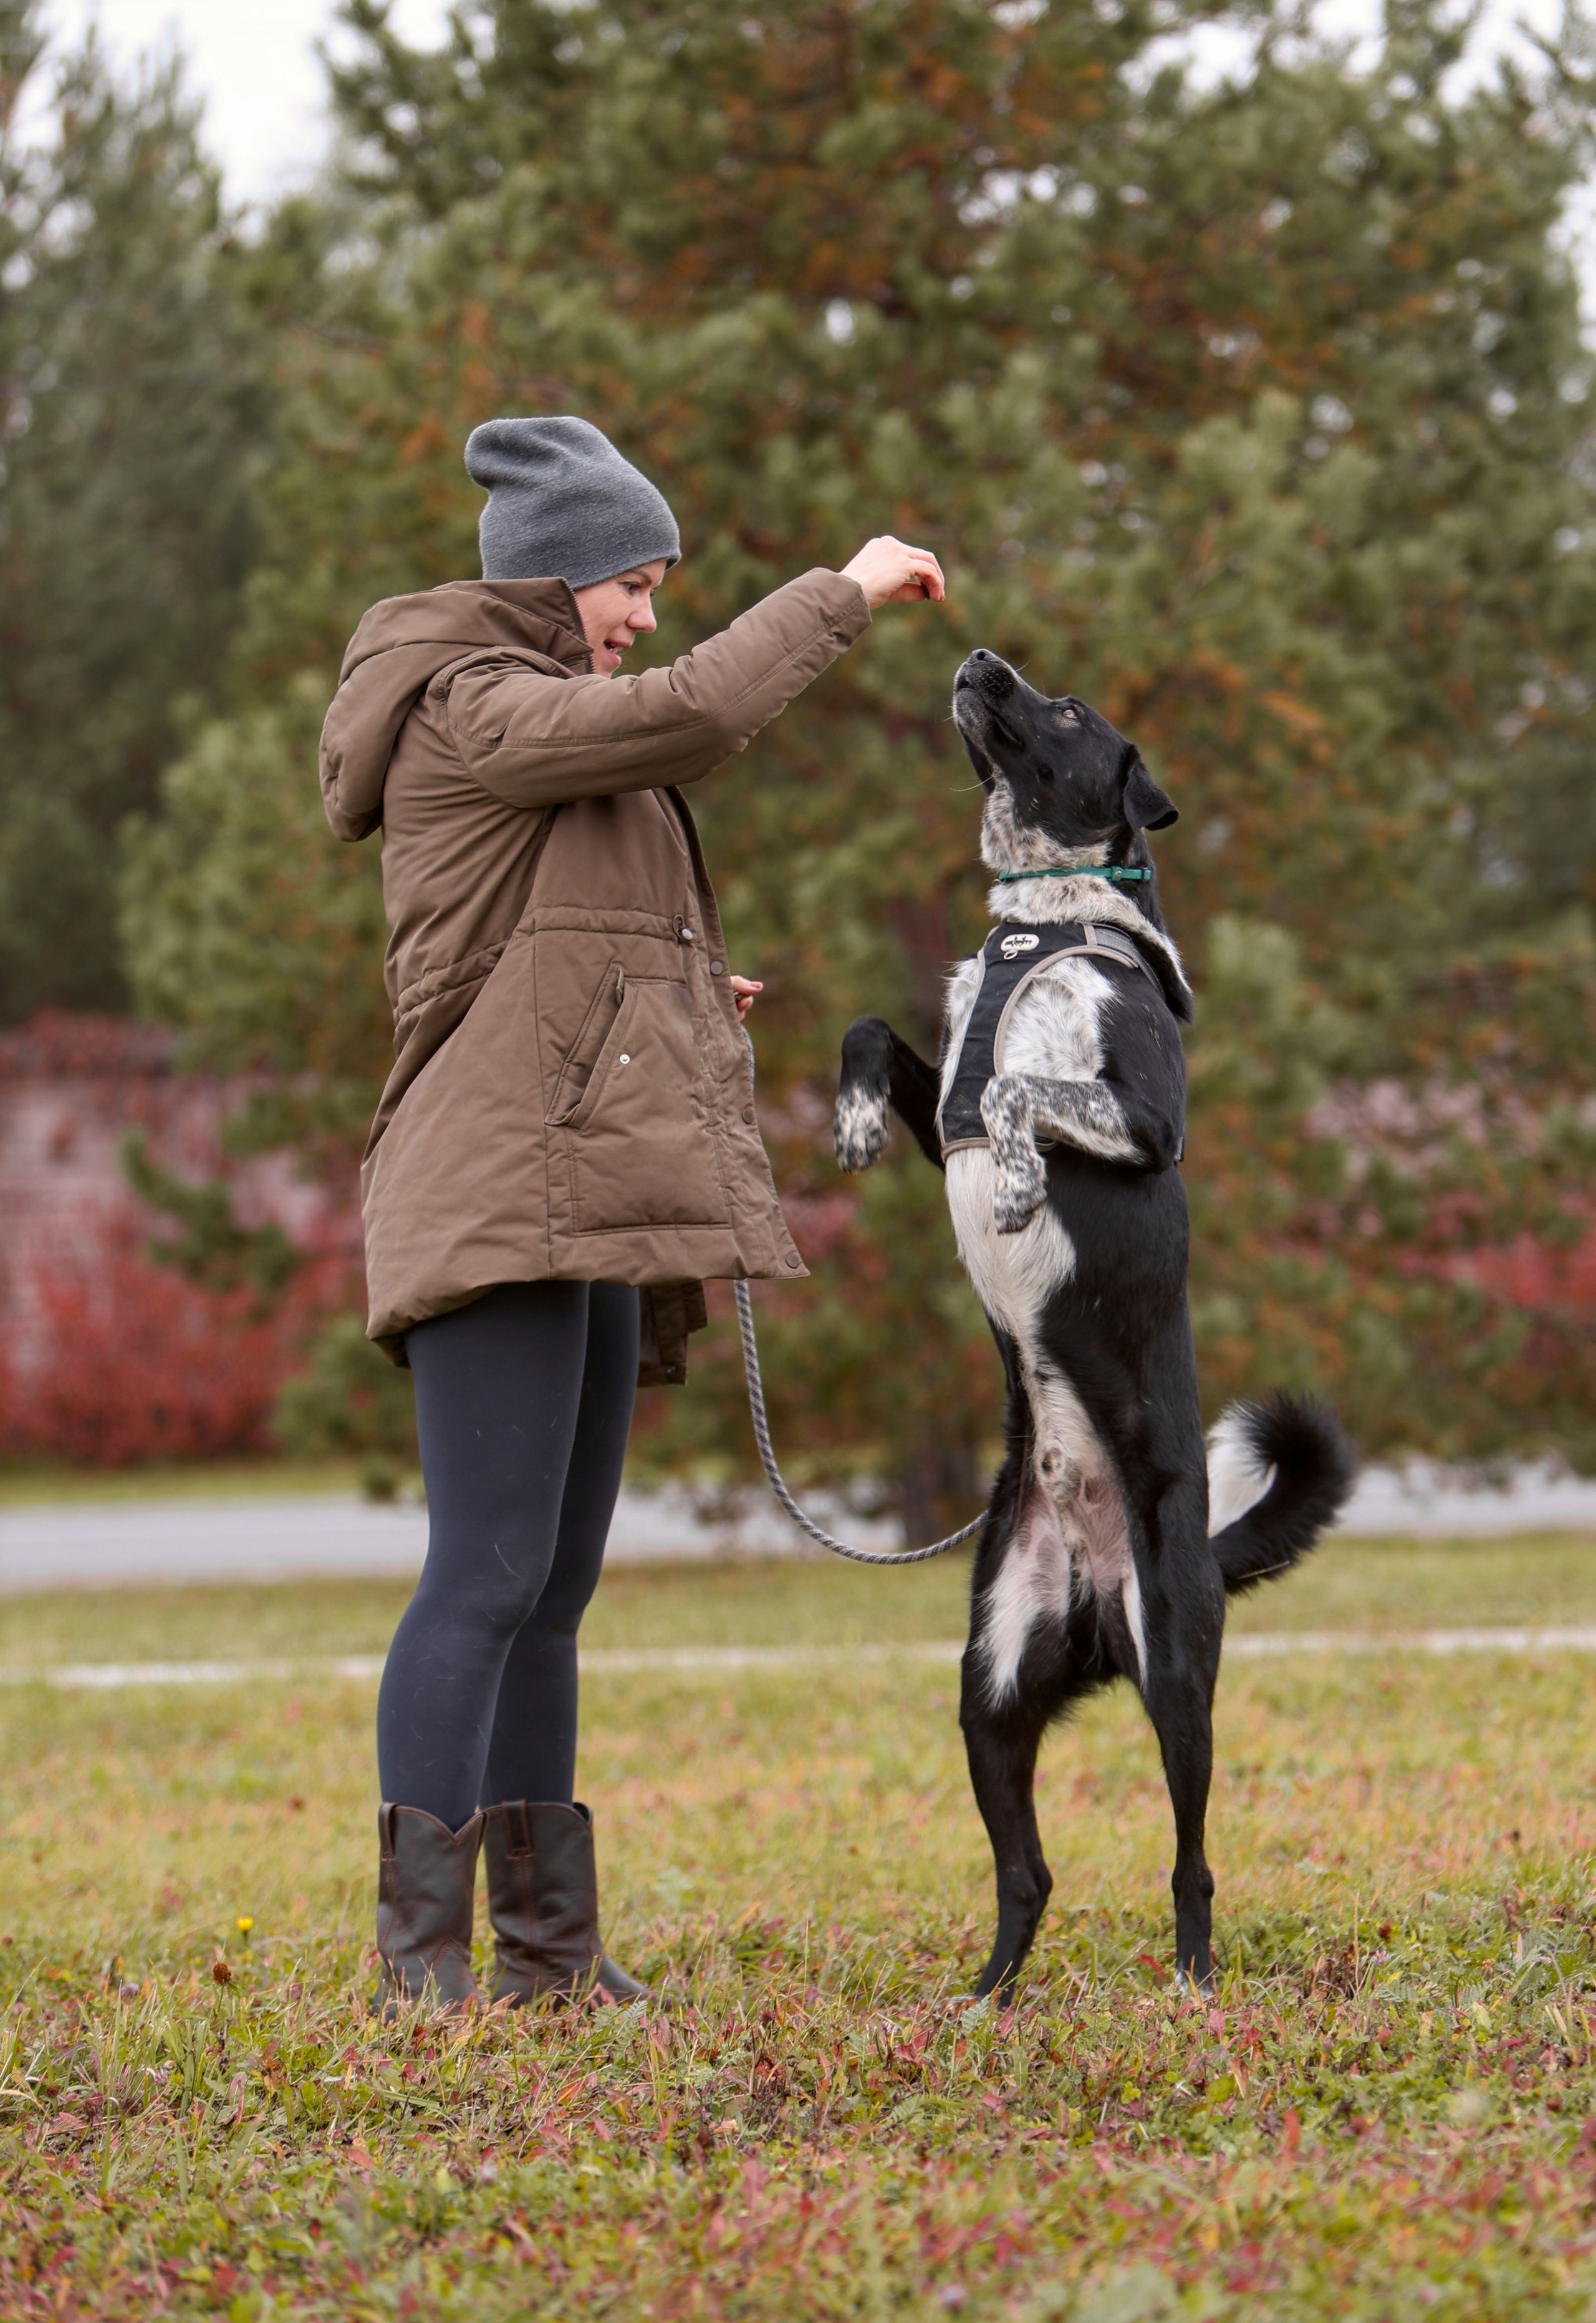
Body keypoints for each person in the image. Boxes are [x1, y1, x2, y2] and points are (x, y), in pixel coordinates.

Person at [319, 415, 945, 2010]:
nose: (646, 619)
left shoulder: (551, 722)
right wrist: (842, 592)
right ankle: (418, 1972)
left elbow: (544, 948)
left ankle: (547, 1955)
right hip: (497, 1190)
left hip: (577, 1185)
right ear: (555, 579)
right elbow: (693, 713)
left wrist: (677, 994)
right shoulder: (469, 703)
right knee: (483, 1575)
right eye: (633, 585)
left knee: (551, 1594)